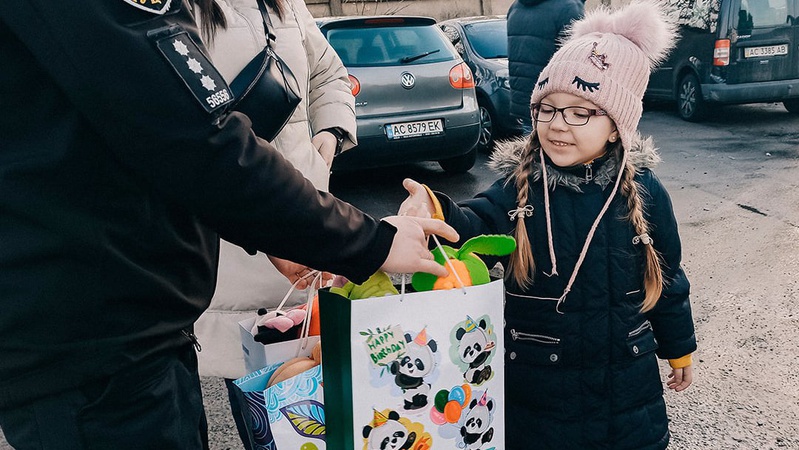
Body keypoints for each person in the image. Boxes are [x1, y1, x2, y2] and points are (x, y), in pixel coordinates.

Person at [0, 3, 457, 450]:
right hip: (97, 346)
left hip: (114, 327)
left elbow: (164, 142)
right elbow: (199, 142)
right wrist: (369, 242)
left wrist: (314, 172)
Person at [399, 2, 696, 448]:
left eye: (581, 112)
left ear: (617, 126)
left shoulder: (646, 192)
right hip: (540, 400)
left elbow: (668, 279)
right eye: (547, 109)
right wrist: (436, 209)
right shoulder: (520, 188)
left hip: (629, 399)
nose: (558, 125)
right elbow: (474, 223)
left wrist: (679, 346)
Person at [191, 0, 356, 447]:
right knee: (266, 411)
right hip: (233, 245)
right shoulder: (171, 11)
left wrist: (331, 134)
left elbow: (329, 74)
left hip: (308, 224)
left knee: (328, 403)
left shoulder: (286, 5)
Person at [507, 0, 584, 135]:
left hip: (525, 99)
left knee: (532, 146)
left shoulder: (516, 7)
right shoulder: (568, 8)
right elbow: (576, 61)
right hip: (558, 102)